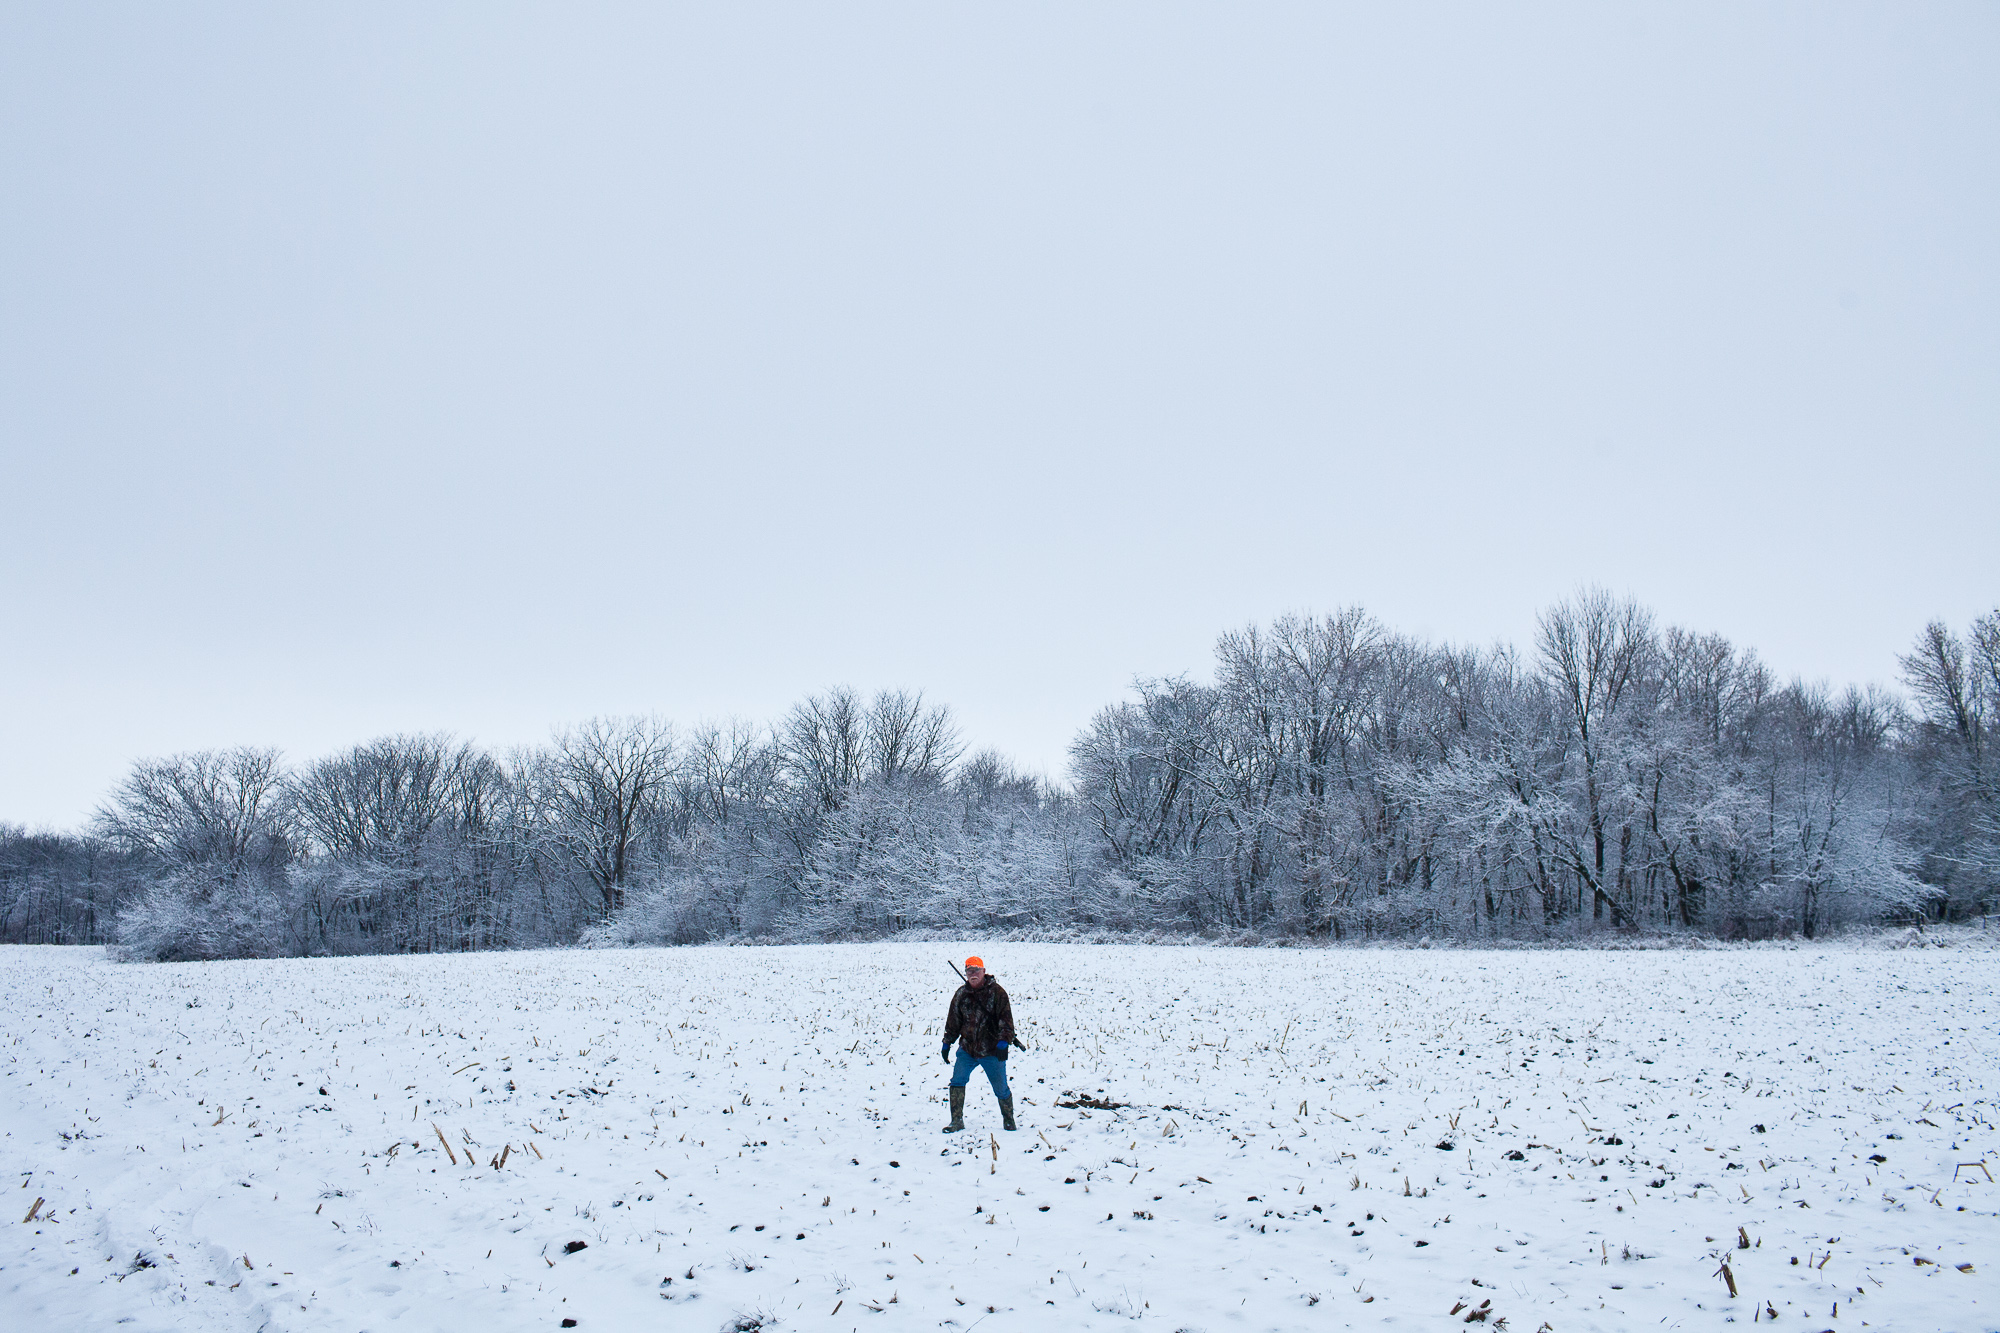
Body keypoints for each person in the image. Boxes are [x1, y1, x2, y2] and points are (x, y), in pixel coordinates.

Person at [940, 956, 1022, 1133]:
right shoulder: (961, 994)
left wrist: (1003, 1042)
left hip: (992, 1050)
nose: (973, 974)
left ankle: (1008, 1120)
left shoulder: (997, 993)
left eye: (976, 970)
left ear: (984, 971)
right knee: (957, 1082)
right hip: (967, 1049)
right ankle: (957, 1121)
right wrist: (947, 1042)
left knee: (1001, 1088)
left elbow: (1006, 1021)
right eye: (969, 971)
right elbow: (953, 1021)